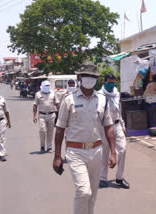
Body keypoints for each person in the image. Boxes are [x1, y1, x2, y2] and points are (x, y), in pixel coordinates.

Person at [53, 64, 117, 214]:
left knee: (93, 195)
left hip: (96, 151)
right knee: (83, 191)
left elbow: (108, 126)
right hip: (76, 152)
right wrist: (57, 156)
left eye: (93, 76)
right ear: (79, 78)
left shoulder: (102, 100)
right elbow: (60, 129)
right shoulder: (68, 100)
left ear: (97, 79)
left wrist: (113, 152)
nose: (90, 79)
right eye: (86, 76)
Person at [98, 74, 130, 189]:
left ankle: (119, 177)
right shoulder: (99, 95)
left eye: (113, 82)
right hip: (104, 127)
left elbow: (119, 110)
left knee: (122, 149)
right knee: (105, 152)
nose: (111, 84)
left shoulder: (116, 94)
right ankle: (102, 178)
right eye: (109, 82)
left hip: (117, 125)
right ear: (104, 82)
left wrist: (123, 125)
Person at [33, 80, 59, 152]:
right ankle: (42, 145)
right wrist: (34, 116)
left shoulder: (53, 93)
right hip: (42, 115)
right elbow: (35, 105)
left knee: (50, 132)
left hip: (51, 115)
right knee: (42, 130)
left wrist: (59, 115)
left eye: (48, 86)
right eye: (46, 86)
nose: (47, 87)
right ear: (43, 86)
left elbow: (57, 104)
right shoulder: (38, 94)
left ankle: (49, 147)